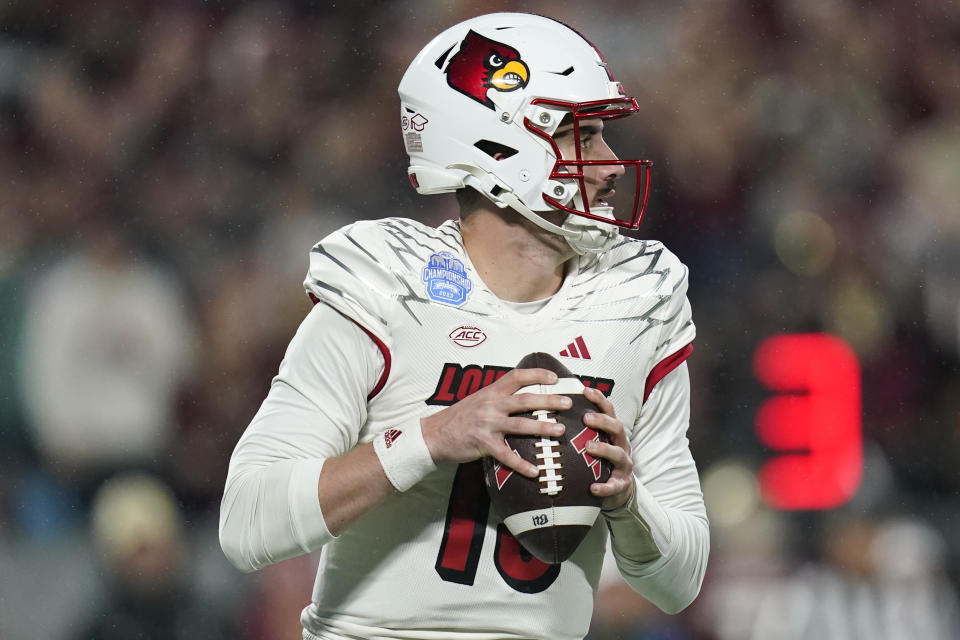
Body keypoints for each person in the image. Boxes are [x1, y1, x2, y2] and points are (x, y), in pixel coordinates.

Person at [219, 12, 708, 640]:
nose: (611, 165)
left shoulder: (636, 301)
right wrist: (434, 436)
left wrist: (628, 505)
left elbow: (679, 581)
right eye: (582, 138)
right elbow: (246, 522)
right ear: (500, 147)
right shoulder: (387, 284)